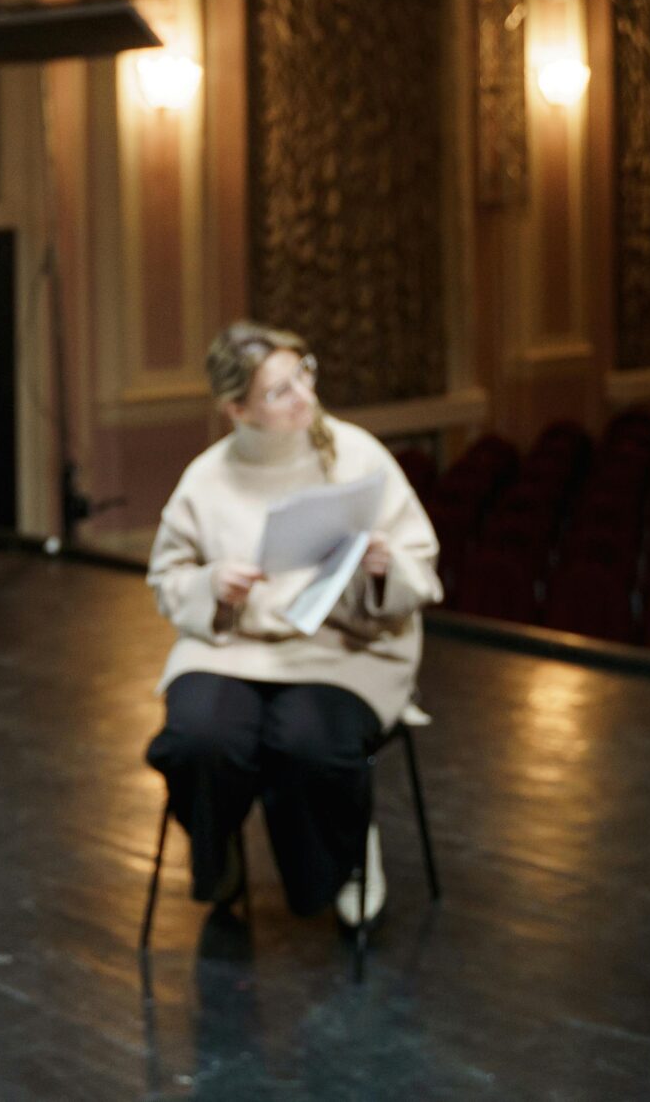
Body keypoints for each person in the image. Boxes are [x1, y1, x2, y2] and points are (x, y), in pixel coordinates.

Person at [145, 321, 443, 927]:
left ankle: (345, 857)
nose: (305, 395)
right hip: (235, 646)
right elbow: (168, 576)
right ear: (238, 410)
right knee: (199, 739)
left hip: (344, 649)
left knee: (308, 742)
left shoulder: (356, 454)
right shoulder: (207, 477)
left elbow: (421, 563)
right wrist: (212, 585)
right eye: (280, 391)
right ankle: (218, 851)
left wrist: (383, 567)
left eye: (304, 374)